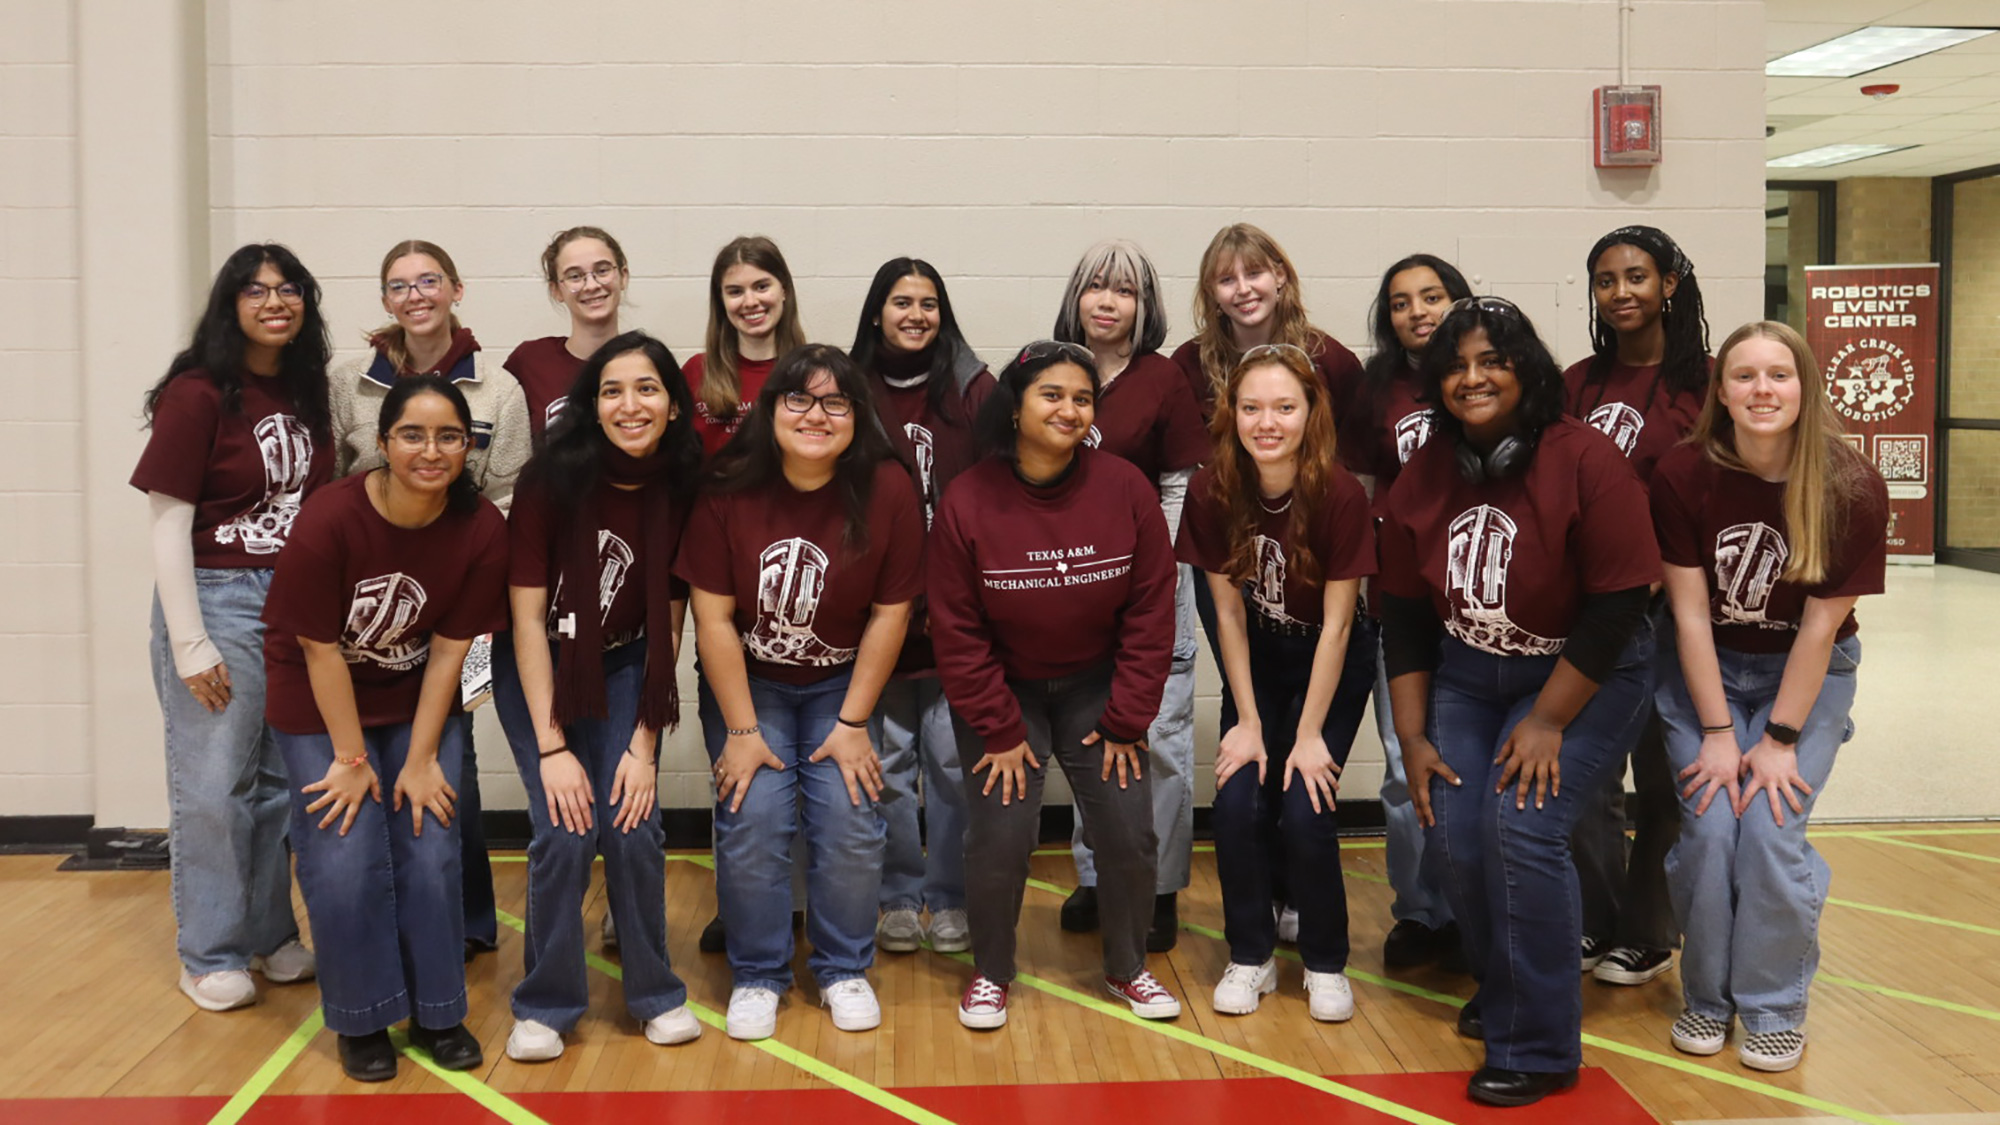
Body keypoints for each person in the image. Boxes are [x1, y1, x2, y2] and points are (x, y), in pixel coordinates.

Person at [1378, 297, 1660, 1108]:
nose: (1472, 378)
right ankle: (1508, 989)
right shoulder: (1426, 471)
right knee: (1459, 833)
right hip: (1470, 672)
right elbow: (1399, 611)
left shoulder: (1586, 459)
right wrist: (1410, 736)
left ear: (1525, 370)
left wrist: (1546, 721)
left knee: (1522, 827)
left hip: (1584, 673)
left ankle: (1539, 1044)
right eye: (1457, 366)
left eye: (1491, 361)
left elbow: (1617, 609)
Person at [1651, 321, 1887, 1073]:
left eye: (1778, 375)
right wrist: (1717, 729)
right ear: (1720, 392)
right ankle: (1707, 998)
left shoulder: (1851, 483)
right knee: (1714, 830)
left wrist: (1777, 740)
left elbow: (1820, 627)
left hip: (1805, 672)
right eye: (1744, 375)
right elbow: (1687, 613)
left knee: (1772, 832)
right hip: (1707, 669)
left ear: (1804, 387)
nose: (1762, 390)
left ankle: (1774, 1006)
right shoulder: (1683, 475)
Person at [262, 376, 510, 1082]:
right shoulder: (330, 517)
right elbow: (317, 649)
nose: (431, 451)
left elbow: (451, 653)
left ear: (467, 446)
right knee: (343, 854)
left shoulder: (483, 528)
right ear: (381, 443)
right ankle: (363, 1015)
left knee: (430, 846)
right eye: (412, 434)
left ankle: (438, 1009)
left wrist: (424, 755)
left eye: (449, 436)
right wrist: (349, 756)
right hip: (318, 697)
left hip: (413, 699)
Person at [928, 341, 1179, 1031]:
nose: (1069, 409)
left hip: (1097, 687)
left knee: (1128, 830)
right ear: (1014, 406)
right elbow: (956, 627)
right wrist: (1000, 728)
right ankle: (991, 972)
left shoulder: (1125, 486)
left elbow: (1154, 607)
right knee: (1003, 835)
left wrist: (1129, 715)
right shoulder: (967, 498)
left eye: (1082, 398)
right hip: (1003, 692)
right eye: (1052, 395)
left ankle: (1128, 967)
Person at [676, 344, 923, 1041]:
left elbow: (890, 612)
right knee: (752, 816)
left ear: (857, 415)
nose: (816, 415)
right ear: (772, 409)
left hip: (842, 683)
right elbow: (712, 616)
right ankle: (758, 973)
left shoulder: (888, 486)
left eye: (835, 402)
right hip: (751, 685)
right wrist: (743, 733)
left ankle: (843, 967)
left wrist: (853, 721)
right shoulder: (727, 483)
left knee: (849, 816)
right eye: (799, 399)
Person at [132, 243, 335, 1012]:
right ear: (230, 303)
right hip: (217, 594)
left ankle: (267, 933)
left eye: (288, 289)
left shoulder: (306, 389)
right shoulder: (198, 391)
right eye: (255, 290)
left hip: (291, 602)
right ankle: (209, 951)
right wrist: (190, 640)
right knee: (214, 784)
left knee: (279, 783)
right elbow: (166, 520)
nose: (274, 302)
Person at [494, 332, 705, 1061]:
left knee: (632, 820)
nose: (630, 404)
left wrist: (644, 746)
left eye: (647, 388)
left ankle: (655, 992)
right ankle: (546, 1003)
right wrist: (552, 746)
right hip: (543, 667)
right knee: (564, 825)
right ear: (592, 405)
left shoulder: (683, 481)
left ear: (673, 406)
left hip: (626, 665)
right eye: (612, 390)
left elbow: (670, 623)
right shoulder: (551, 480)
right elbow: (523, 618)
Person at [329, 239, 532, 955]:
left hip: (464, 606)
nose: (416, 295)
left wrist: (467, 562)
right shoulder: (348, 378)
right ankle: (383, 911)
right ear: (385, 300)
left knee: (454, 756)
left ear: (456, 289)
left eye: (429, 281)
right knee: (368, 755)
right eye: (400, 285)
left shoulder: (499, 389)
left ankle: (465, 917)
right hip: (371, 605)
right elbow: (333, 480)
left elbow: (509, 493)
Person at [1179, 344, 1376, 1022]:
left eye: (1284, 407)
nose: (1268, 421)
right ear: (1231, 412)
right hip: (1257, 658)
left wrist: (1312, 732)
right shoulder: (1211, 488)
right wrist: (1249, 720)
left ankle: (1324, 961)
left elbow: (1340, 626)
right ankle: (1250, 955)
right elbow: (1228, 612)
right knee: (1236, 797)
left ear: (1310, 413)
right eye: (1252, 406)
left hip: (1330, 660)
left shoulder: (1339, 492)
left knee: (1306, 802)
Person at [1047, 240, 1210, 950]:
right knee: (1093, 731)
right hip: (1073, 589)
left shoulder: (1162, 379)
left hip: (1152, 585)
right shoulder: (1054, 373)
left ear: (1145, 307)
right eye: (1096, 287)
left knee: (1161, 740)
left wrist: (1155, 562)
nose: (1108, 302)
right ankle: (1096, 873)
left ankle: (1158, 887)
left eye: (1125, 291)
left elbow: (1180, 483)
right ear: (1075, 298)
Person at [1564, 225, 1713, 987]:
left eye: (1636, 277)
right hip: (1590, 613)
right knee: (1586, 776)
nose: (1621, 292)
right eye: (1605, 280)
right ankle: (1595, 916)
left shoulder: (1708, 384)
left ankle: (1649, 930)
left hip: (1669, 612)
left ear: (1670, 285)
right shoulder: (1575, 383)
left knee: (1662, 776)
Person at [848, 257, 993, 955]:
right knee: (887, 765)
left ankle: (952, 894)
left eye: (928, 302)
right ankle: (898, 894)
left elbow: (998, 495)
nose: (915, 314)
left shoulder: (973, 386)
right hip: (881, 614)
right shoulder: (848, 387)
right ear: (877, 311)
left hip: (958, 614)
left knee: (952, 762)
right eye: (901, 301)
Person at [1349, 253, 1474, 972]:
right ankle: (1420, 912)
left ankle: (1471, 909)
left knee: (1469, 762)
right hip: (1399, 606)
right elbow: (1362, 487)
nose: (1418, 312)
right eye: (1401, 302)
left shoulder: (1489, 372)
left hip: (1479, 605)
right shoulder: (1376, 389)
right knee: (1404, 764)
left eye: (1432, 296)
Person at [505, 226, 633, 443]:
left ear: (622, 276)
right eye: (575, 276)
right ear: (556, 290)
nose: (591, 285)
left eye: (602, 271)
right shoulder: (530, 362)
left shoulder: (647, 363)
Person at [687, 236, 808, 458]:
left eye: (761, 287)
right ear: (721, 301)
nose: (750, 301)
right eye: (735, 291)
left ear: (784, 290)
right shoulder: (696, 371)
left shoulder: (812, 374)